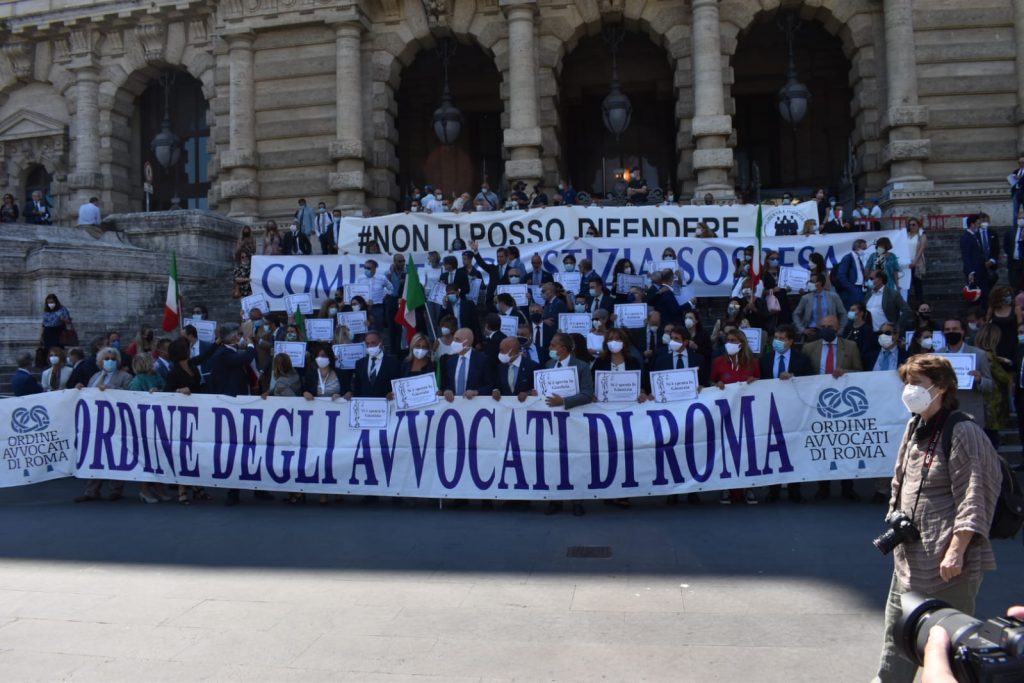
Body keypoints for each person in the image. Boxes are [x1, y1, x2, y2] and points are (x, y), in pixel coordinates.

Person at [873, 354, 1001, 683]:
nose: (909, 390)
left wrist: (957, 549)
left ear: (941, 388)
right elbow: (900, 480)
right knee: (896, 640)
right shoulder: (915, 425)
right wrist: (895, 517)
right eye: (907, 383)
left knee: (946, 646)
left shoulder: (963, 430)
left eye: (917, 384)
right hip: (910, 560)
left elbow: (977, 493)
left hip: (948, 566)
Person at [543, 333, 595, 517]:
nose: (550, 347)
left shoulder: (581, 367)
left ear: (563, 348)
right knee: (552, 460)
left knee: (575, 460)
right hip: (552, 422)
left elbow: (588, 393)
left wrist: (564, 401)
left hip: (575, 421)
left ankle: (577, 501)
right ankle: (555, 500)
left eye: (553, 345)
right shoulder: (549, 366)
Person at [72, 346, 133, 503]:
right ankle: (91, 490)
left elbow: (130, 395)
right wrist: (80, 389)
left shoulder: (125, 376)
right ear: (99, 362)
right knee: (94, 456)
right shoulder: (94, 377)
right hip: (94, 424)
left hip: (115, 422)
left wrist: (111, 389)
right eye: (106, 359)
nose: (110, 361)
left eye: (113, 359)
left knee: (115, 455)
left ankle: (116, 489)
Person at [762, 325, 812, 504]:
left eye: (782, 338)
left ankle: (794, 489)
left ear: (791, 341)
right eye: (776, 337)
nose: (778, 341)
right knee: (773, 450)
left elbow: (810, 382)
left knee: (794, 448)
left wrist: (794, 376)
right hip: (771, 410)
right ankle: (773, 490)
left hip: (795, 411)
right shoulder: (765, 360)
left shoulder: (802, 360)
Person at [710, 329, 760, 504]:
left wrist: (755, 382)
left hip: (747, 413)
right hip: (725, 413)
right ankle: (726, 486)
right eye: (728, 340)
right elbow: (711, 383)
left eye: (733, 340)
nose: (729, 343)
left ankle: (748, 486)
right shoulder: (719, 362)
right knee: (726, 448)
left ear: (741, 344)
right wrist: (717, 384)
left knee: (747, 449)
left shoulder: (752, 363)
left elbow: (763, 385)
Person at [940, 318, 993, 422]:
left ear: (963, 331)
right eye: (947, 329)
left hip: (970, 411)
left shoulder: (979, 354)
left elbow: (990, 385)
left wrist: (979, 380)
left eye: (955, 329)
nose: (951, 332)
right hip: (944, 411)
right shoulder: (937, 356)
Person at [972, 324, 1012, 450]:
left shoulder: (977, 353)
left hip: (985, 403)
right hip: (990, 405)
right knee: (991, 441)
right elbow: (1004, 378)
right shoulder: (988, 356)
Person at [346, 331, 400, 399]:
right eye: (367, 344)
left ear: (380, 342)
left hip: (386, 405)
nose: (370, 346)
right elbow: (357, 386)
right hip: (365, 405)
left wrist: (392, 393)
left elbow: (397, 385)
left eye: (373, 343)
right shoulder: (360, 363)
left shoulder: (393, 362)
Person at [442, 328, 492, 400]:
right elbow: (446, 384)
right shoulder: (450, 361)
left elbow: (491, 385)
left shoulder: (482, 360)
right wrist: (447, 390)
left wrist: (476, 392)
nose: (454, 342)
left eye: (457, 340)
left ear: (467, 342)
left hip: (474, 406)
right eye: (454, 339)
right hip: (453, 406)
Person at [792, 274, 846, 339]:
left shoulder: (833, 296)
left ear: (820, 283)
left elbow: (843, 313)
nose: (809, 284)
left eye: (812, 282)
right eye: (809, 282)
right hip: (812, 331)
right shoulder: (805, 298)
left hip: (830, 330)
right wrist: (803, 330)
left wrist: (840, 330)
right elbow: (796, 314)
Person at [491, 335, 537, 401]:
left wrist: (527, 393)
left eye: (502, 350)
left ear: (511, 351)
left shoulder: (531, 366)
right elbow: (497, 386)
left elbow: (536, 390)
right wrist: (495, 390)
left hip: (525, 407)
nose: (500, 353)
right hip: (505, 409)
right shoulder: (500, 367)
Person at [960, 214, 991, 304]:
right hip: (974, 272)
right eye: (978, 223)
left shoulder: (975, 236)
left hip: (981, 270)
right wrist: (971, 272)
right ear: (972, 224)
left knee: (984, 295)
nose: (979, 225)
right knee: (975, 297)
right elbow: (966, 256)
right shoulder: (966, 238)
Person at [834, 239, 870, 310]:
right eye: (863, 248)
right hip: (852, 289)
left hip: (860, 289)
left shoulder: (859, 259)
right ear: (857, 248)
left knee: (860, 311)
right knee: (851, 311)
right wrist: (850, 287)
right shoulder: (848, 258)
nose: (865, 251)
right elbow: (841, 275)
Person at [905, 217, 927, 305]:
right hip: (906, 263)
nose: (912, 227)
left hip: (916, 263)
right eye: (910, 225)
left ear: (918, 225)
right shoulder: (906, 235)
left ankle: (920, 304)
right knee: (906, 285)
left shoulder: (921, 235)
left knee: (917, 284)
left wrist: (914, 262)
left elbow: (922, 248)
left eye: (914, 225)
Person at [233, 225, 257, 298]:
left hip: (250, 257)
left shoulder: (252, 239)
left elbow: (254, 249)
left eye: (247, 230)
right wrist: (242, 244)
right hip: (241, 256)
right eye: (245, 230)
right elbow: (237, 250)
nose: (246, 231)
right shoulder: (240, 239)